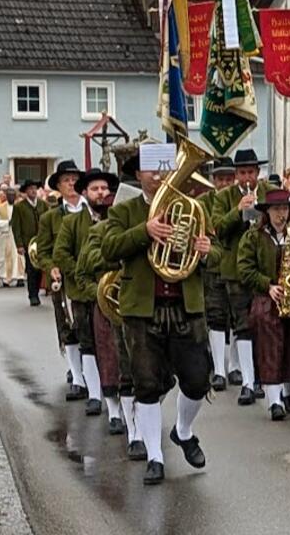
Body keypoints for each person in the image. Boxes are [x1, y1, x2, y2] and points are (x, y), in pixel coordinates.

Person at [102, 147, 216, 485]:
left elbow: (220, 256)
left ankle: (183, 430)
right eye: (151, 169)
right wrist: (144, 231)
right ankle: (154, 456)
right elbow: (109, 249)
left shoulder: (193, 208)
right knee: (147, 384)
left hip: (185, 307)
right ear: (138, 175)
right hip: (142, 309)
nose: (159, 174)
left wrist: (208, 252)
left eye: (165, 167)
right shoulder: (125, 211)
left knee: (198, 381)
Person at [77, 188, 146, 458]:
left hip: (141, 302)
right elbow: (87, 261)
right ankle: (122, 418)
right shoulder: (101, 229)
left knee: (148, 369)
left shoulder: (150, 227)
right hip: (112, 303)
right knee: (112, 361)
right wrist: (121, 249)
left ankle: (142, 419)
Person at [54, 168, 119, 417]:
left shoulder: (117, 218)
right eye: (95, 189)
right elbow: (61, 253)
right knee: (88, 344)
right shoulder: (72, 222)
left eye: (104, 189)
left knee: (113, 346)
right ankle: (94, 394)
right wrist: (83, 273)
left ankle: (116, 394)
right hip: (82, 293)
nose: (101, 193)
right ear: (84, 192)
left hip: (113, 293)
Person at [238, 189, 290, 421]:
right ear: (266, 212)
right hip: (267, 299)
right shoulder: (254, 236)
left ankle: (287, 393)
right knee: (270, 349)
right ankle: (274, 400)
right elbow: (245, 269)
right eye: (276, 210)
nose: (281, 214)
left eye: (285, 209)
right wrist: (268, 285)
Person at [212, 149, 274, 406]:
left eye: (250, 172)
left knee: (265, 325)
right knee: (243, 326)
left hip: (264, 268)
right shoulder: (225, 196)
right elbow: (217, 229)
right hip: (235, 270)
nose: (246, 177)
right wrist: (238, 211)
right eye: (242, 173)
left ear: (258, 174)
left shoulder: (269, 191)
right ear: (236, 175)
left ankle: (263, 379)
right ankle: (248, 382)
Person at [36, 160, 88, 401]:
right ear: (58, 185)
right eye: (66, 180)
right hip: (65, 280)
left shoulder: (93, 210)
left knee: (93, 327)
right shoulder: (50, 218)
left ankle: (95, 374)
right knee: (69, 328)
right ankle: (78, 377)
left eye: (75, 179)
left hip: (91, 277)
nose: (71, 184)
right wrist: (51, 267)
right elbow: (44, 252)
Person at [201, 157, 237, 392]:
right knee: (215, 316)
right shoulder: (203, 202)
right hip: (213, 266)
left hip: (235, 266)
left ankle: (235, 366)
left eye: (228, 178)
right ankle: (219, 370)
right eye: (220, 178)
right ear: (213, 180)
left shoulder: (239, 199)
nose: (224, 183)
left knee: (237, 317)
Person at [11, 180, 47, 305]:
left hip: (42, 242)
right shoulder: (19, 207)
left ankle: (38, 289)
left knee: (40, 268)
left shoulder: (43, 204)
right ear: (26, 192)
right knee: (31, 269)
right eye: (30, 189)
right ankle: (33, 295)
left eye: (35, 188)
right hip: (28, 243)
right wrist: (19, 244)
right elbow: (16, 227)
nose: (33, 191)